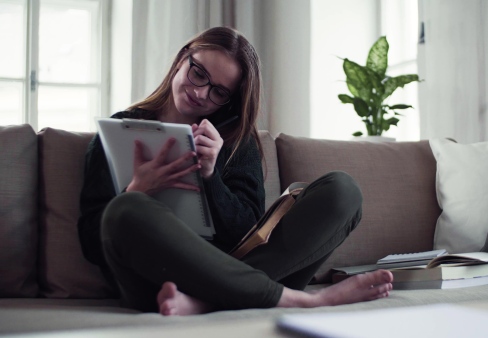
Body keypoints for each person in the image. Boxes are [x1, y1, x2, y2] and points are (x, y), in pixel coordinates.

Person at [77, 26, 393, 316]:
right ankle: (300, 300)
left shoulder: (236, 142)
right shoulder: (117, 131)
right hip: (156, 284)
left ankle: (203, 303)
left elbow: (248, 234)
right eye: (198, 73)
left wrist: (211, 177)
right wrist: (137, 189)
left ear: (229, 101)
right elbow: (92, 243)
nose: (200, 93)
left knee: (342, 190)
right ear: (181, 60)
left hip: (240, 267)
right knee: (126, 208)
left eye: (218, 91)